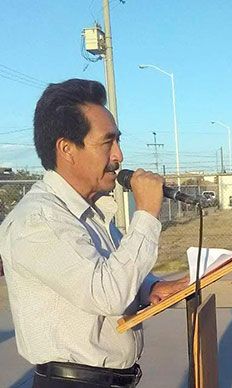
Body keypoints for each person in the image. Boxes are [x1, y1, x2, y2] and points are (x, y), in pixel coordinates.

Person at [0, 79, 189, 387]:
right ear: (67, 149)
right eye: (107, 142)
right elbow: (108, 294)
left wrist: (150, 287)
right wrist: (146, 214)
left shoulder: (90, 211)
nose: (119, 155)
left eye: (118, 142)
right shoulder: (40, 221)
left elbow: (110, 272)